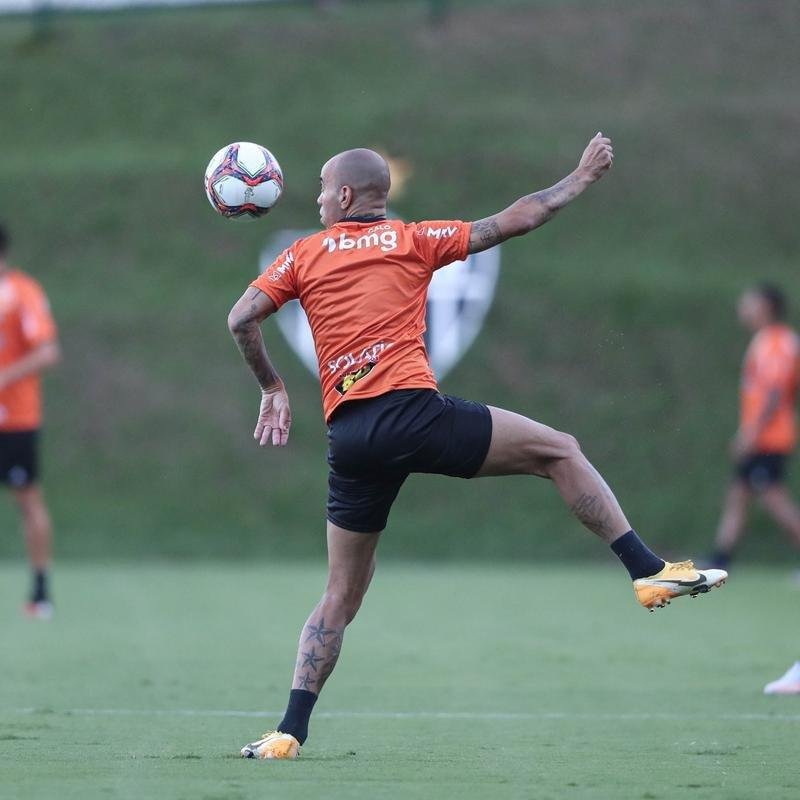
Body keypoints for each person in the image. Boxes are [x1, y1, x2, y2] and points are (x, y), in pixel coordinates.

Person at [227, 135, 727, 760]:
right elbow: (518, 219)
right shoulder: (414, 239)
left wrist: (273, 387)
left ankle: (288, 733)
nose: (319, 199)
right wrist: (579, 177)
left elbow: (241, 318)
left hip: (351, 438)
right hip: (412, 415)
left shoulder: (302, 254)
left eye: (324, 190)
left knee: (340, 594)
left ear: (347, 196)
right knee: (560, 451)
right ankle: (648, 573)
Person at [710, 284, 800, 569]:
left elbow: (775, 393)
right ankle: (720, 560)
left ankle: (721, 560)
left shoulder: (777, 342)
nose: (743, 306)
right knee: (738, 495)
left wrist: (750, 433)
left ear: (766, 307)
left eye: (749, 301)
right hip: (763, 436)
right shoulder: (765, 340)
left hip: (769, 438)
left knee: (774, 500)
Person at [0, 224, 60, 619]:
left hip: (15, 420)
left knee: (28, 501)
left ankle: (40, 591)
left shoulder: (22, 293)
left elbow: (47, 352)